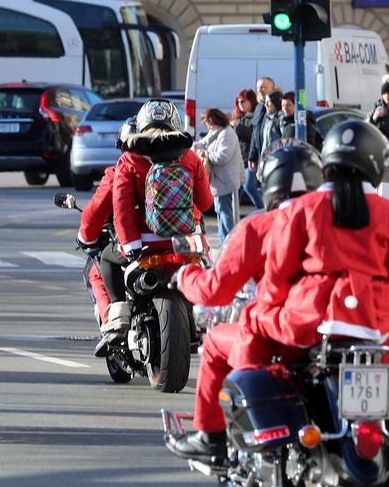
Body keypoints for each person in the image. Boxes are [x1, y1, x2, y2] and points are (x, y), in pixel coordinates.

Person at [168, 120, 389, 462]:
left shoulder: (293, 214)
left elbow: (277, 276)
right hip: (374, 326)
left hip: (305, 322)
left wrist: (268, 309)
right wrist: (382, 308)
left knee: (251, 321)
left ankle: (240, 417)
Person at [174, 143, 324, 452]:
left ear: (270, 184)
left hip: (279, 332)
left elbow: (216, 291)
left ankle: (210, 436)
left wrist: (186, 275)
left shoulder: (260, 226)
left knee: (215, 339)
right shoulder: (341, 222)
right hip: (342, 332)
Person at [108, 100, 214, 352]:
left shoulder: (129, 159)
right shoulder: (189, 157)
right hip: (186, 242)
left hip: (144, 243)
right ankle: (204, 320)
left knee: (107, 259)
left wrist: (131, 246)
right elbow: (206, 202)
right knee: (206, 273)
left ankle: (120, 318)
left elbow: (121, 209)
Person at [77, 121, 138, 331]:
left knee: (98, 268)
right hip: (179, 242)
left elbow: (95, 212)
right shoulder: (180, 164)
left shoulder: (119, 172)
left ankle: (113, 319)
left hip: (137, 244)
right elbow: (205, 202)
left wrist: (85, 237)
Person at [193, 107, 243, 240]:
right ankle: (224, 238)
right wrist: (194, 146)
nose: (208, 126)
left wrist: (205, 154)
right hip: (219, 180)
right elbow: (203, 142)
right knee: (220, 210)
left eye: (209, 122)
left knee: (224, 210)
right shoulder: (216, 132)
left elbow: (222, 157)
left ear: (216, 120)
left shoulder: (227, 133)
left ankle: (228, 239)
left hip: (226, 180)